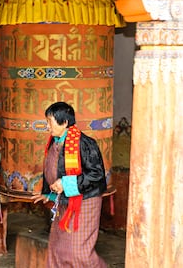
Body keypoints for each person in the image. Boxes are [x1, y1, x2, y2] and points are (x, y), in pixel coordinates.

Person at [32, 101, 107, 267]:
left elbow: (97, 175)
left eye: (50, 122)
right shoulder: (55, 141)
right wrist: (48, 192)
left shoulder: (85, 144)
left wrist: (66, 183)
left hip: (85, 201)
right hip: (64, 201)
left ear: (64, 122)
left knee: (79, 251)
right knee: (58, 247)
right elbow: (51, 167)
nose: (47, 126)